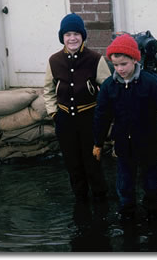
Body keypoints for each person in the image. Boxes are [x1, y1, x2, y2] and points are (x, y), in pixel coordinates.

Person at [92, 33, 157, 220]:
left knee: (151, 183)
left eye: (124, 64)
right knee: (125, 184)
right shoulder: (109, 86)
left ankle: (153, 214)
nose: (120, 69)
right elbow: (101, 116)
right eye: (116, 65)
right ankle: (127, 214)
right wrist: (98, 143)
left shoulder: (151, 83)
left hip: (149, 144)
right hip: (124, 146)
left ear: (135, 59)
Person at [44, 13, 111, 202]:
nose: (72, 38)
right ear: (62, 37)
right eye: (67, 34)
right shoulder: (54, 61)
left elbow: (107, 89)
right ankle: (80, 200)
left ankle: (100, 199)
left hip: (89, 119)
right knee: (72, 164)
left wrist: (102, 115)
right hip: (64, 121)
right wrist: (53, 113)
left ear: (82, 36)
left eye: (76, 34)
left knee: (93, 162)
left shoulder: (95, 59)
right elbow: (48, 89)